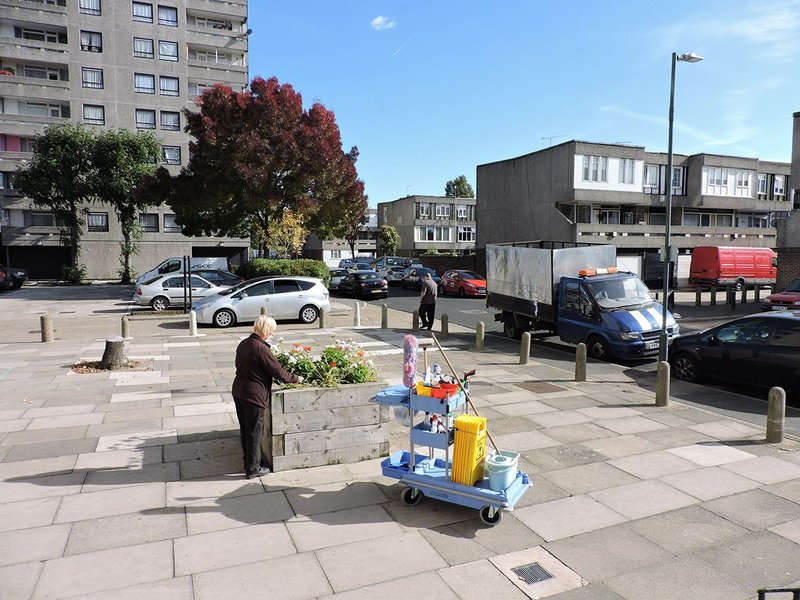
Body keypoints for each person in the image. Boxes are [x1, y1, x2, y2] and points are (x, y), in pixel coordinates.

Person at [231, 315, 303, 479]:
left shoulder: (244, 343)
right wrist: (296, 378)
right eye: (272, 331)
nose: (272, 334)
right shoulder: (261, 348)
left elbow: (239, 365)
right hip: (253, 395)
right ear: (267, 330)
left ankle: (249, 461)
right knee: (255, 432)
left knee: (246, 430)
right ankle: (253, 469)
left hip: (239, 391)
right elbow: (279, 372)